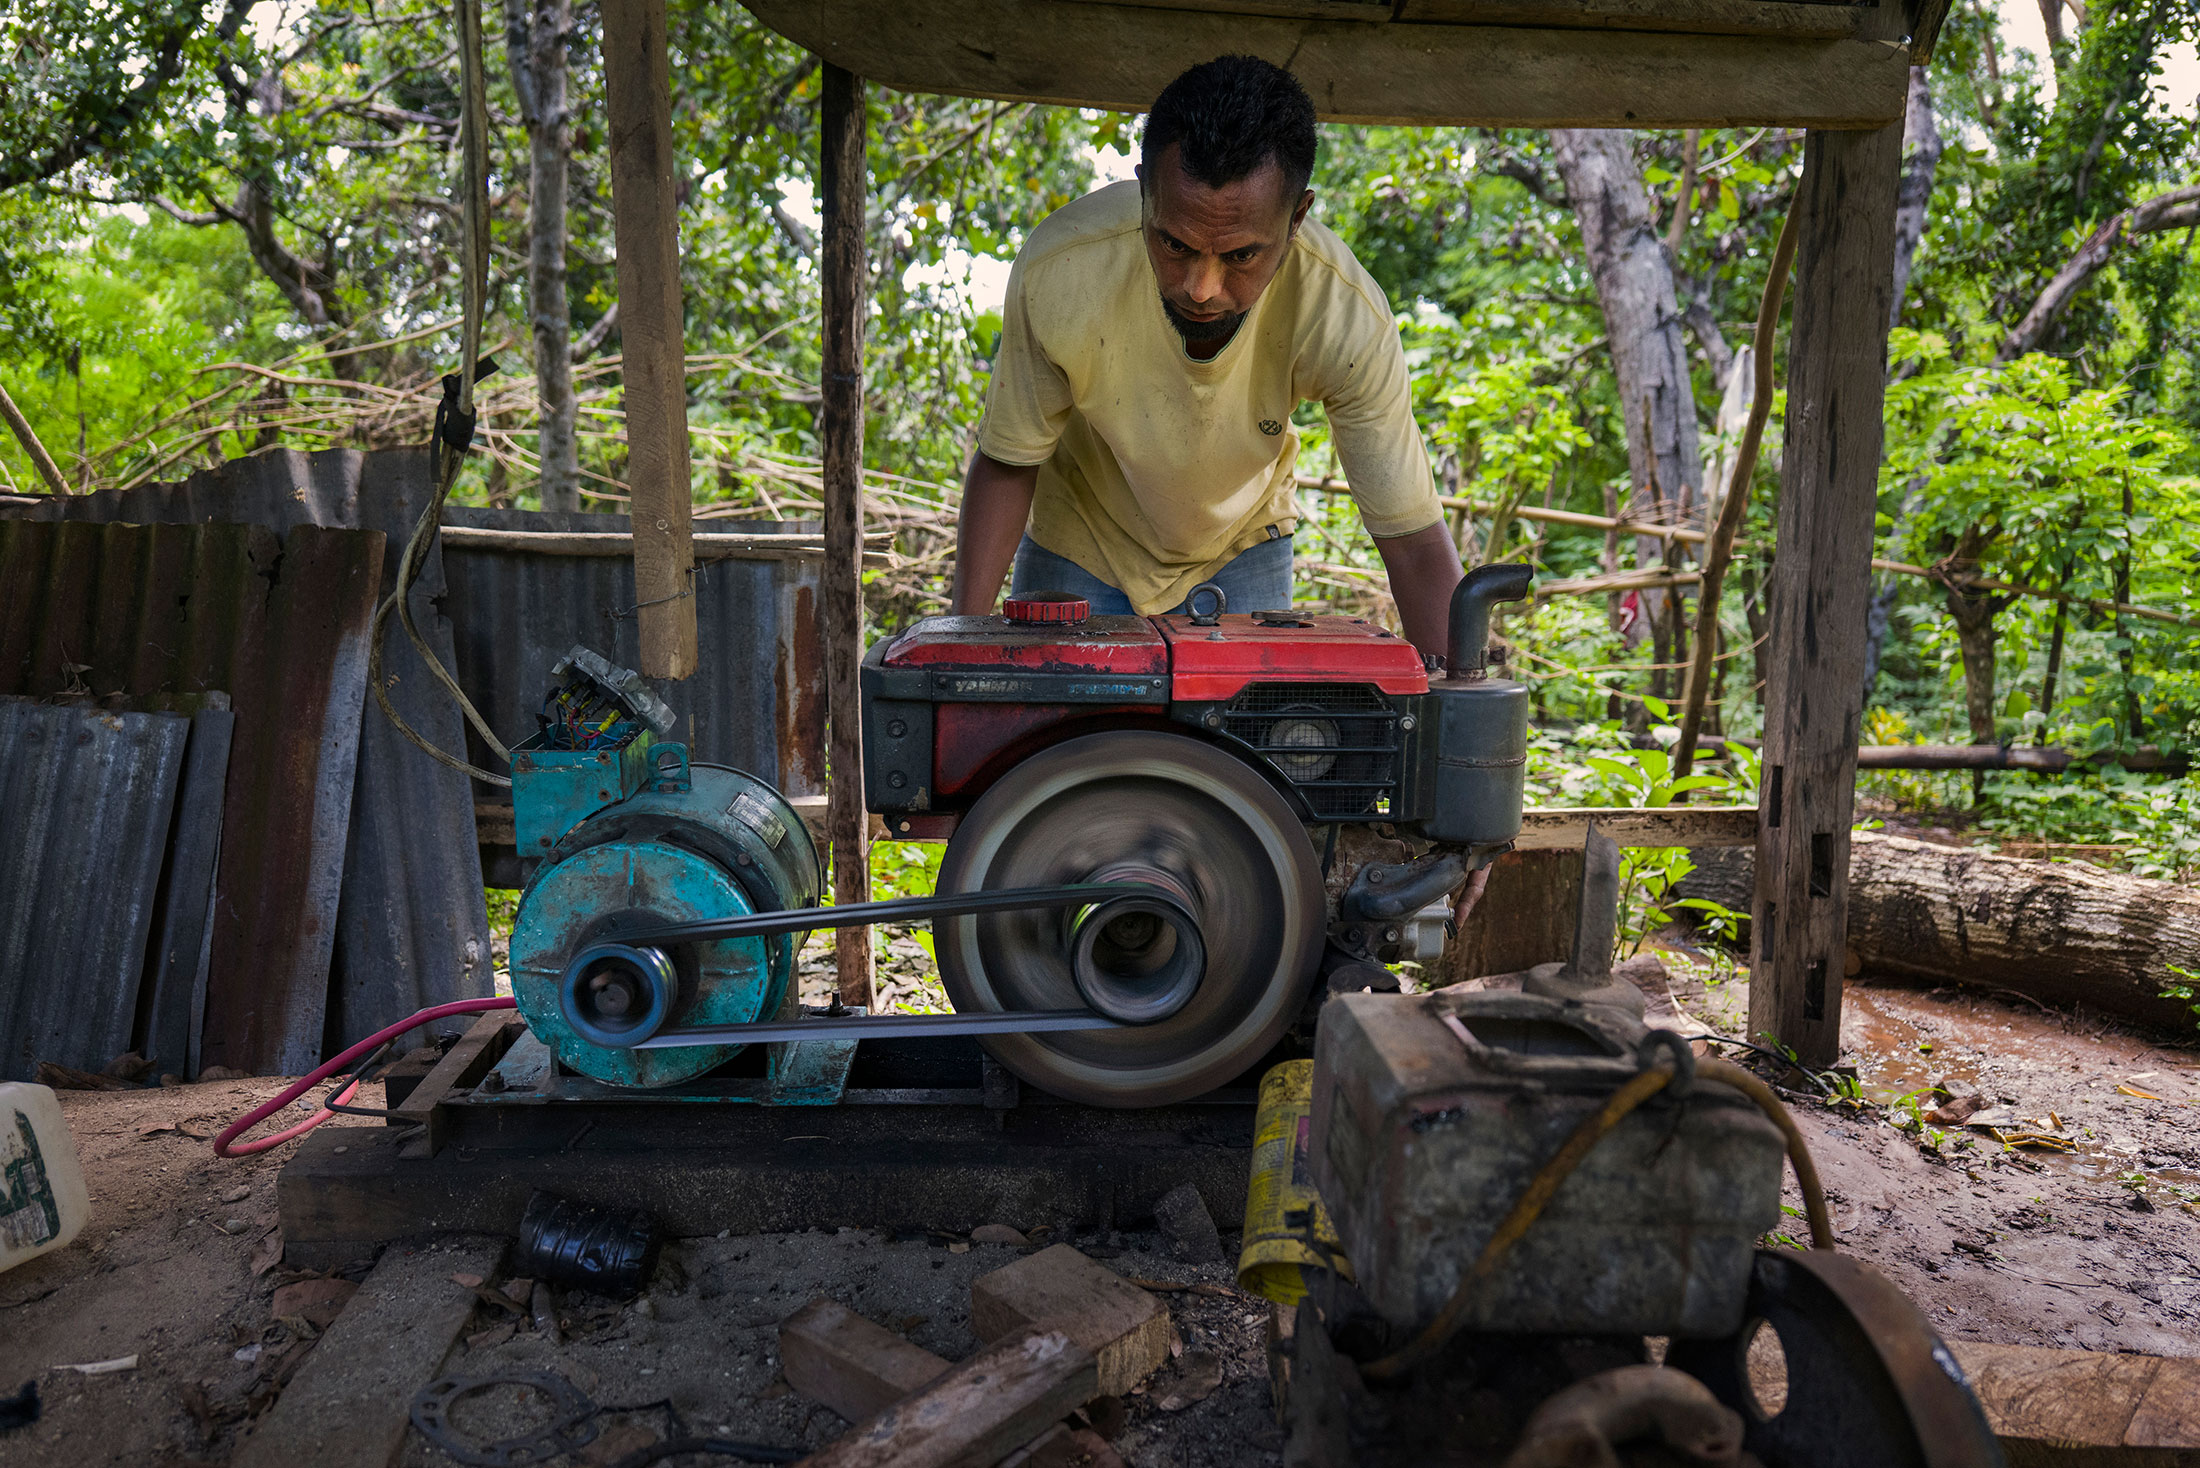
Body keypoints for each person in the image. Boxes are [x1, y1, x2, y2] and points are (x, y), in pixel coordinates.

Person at [948, 53, 1461, 658]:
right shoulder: (1062, 271)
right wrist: (958, 642)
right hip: (1079, 541)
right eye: (1174, 243)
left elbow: (1411, 538)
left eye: (1241, 256)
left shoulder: (1345, 315)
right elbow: (1009, 460)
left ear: (1297, 218)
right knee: (1060, 747)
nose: (1201, 287)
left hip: (1242, 547)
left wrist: (1459, 707)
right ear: (1145, 193)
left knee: (1236, 750)